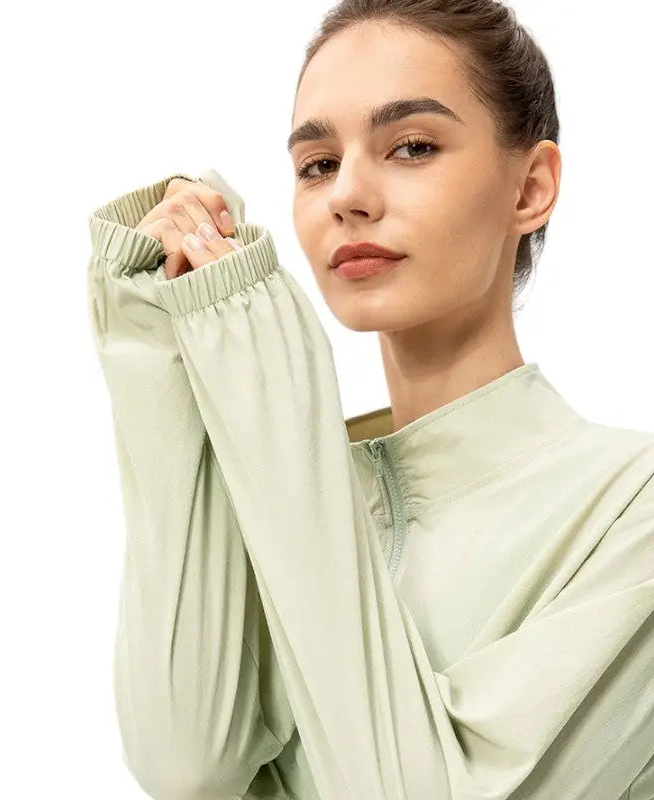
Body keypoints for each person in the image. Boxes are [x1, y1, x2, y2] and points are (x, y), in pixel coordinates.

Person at [85, 1, 654, 798]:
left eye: (412, 146)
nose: (347, 194)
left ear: (529, 188)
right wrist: (164, 350)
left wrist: (270, 387)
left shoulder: (631, 510)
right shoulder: (278, 493)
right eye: (318, 164)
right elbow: (187, 766)